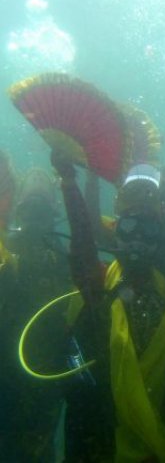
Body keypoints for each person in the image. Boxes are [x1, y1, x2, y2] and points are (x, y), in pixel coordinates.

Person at [51, 151, 165, 462]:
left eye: (147, 232)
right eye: (128, 229)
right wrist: (69, 183)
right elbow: (82, 242)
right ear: (115, 233)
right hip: (107, 420)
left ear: (159, 237)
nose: (136, 241)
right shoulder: (101, 281)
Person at [0, 168, 70, 462]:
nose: (35, 221)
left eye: (42, 213)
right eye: (30, 211)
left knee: (37, 448)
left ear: (53, 215)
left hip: (44, 368)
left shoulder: (61, 255)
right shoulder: (6, 249)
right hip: (7, 367)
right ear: (18, 211)